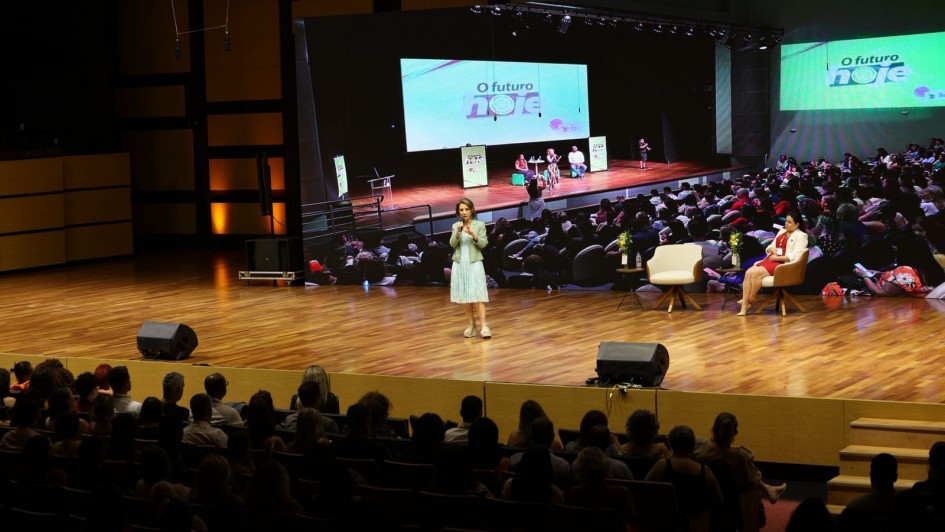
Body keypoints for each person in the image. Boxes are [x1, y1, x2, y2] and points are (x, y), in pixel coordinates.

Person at [737, 210, 808, 315]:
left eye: (789, 222)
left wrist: (777, 257)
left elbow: (794, 256)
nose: (786, 224)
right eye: (786, 221)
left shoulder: (801, 236)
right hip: (770, 258)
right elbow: (770, 246)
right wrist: (772, 250)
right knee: (748, 272)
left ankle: (750, 299)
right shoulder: (781, 231)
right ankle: (744, 307)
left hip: (782, 263)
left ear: (797, 224)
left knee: (756, 273)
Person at [450, 198, 491, 339]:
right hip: (460, 264)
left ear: (472, 210)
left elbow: (484, 243)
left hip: (474, 263)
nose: (464, 212)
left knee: (477, 295)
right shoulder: (456, 226)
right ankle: (471, 325)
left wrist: (473, 235)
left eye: (466, 209)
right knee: (466, 297)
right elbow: (452, 244)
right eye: (461, 210)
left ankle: (484, 326)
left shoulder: (479, 225)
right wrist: (457, 234)